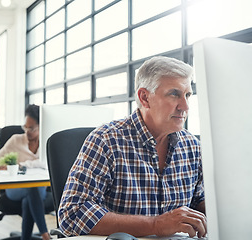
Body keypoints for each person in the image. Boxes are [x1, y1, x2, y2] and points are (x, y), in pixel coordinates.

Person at [58, 56, 207, 238]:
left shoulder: (192, 146)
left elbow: (197, 200)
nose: (185, 106)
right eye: (174, 94)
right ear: (144, 98)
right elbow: (72, 214)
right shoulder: (106, 140)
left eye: (188, 95)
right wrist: (156, 225)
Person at [0, 104, 51, 240]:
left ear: (41, 126)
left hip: (40, 189)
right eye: (25, 127)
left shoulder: (46, 143)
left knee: (29, 198)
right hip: (15, 189)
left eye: (31, 128)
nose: (27, 131)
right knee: (31, 188)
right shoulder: (16, 140)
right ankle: (46, 235)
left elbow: (44, 164)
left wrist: (20, 165)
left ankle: (25, 238)